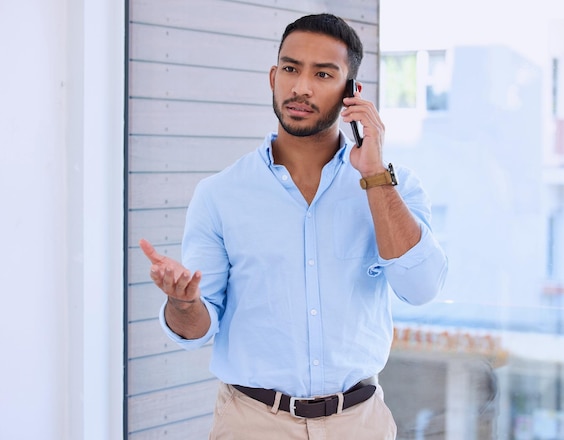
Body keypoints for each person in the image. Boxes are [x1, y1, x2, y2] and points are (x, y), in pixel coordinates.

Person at [139, 13, 448, 440]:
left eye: (323, 73)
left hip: (359, 424)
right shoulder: (220, 194)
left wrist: (374, 174)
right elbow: (196, 329)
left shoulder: (394, 187)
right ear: (273, 77)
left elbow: (422, 287)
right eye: (290, 68)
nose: (301, 87)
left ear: (351, 92)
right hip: (251, 423)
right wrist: (185, 303)